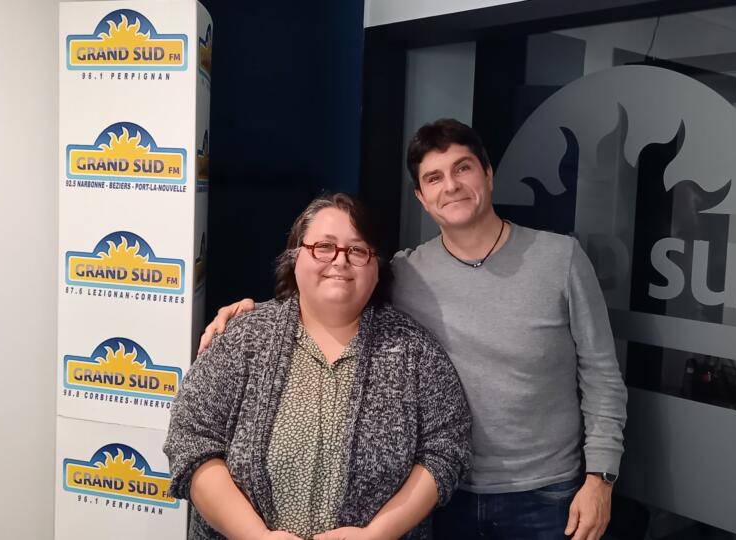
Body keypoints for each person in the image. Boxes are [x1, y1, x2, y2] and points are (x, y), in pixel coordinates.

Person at [202, 119, 628, 540]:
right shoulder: (406, 273)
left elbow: (602, 375)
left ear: (488, 174)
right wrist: (249, 313)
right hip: (443, 497)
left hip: (546, 492)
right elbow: (330, 290)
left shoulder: (560, 258)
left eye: (463, 168)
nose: (452, 185)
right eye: (434, 177)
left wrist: (600, 479)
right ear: (422, 198)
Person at [165, 193, 472, 540]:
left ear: (376, 269)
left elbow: (447, 449)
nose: (340, 261)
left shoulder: (416, 351)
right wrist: (254, 535)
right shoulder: (241, 339)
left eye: (358, 250)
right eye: (324, 247)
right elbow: (191, 440)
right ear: (294, 258)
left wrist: (379, 533)